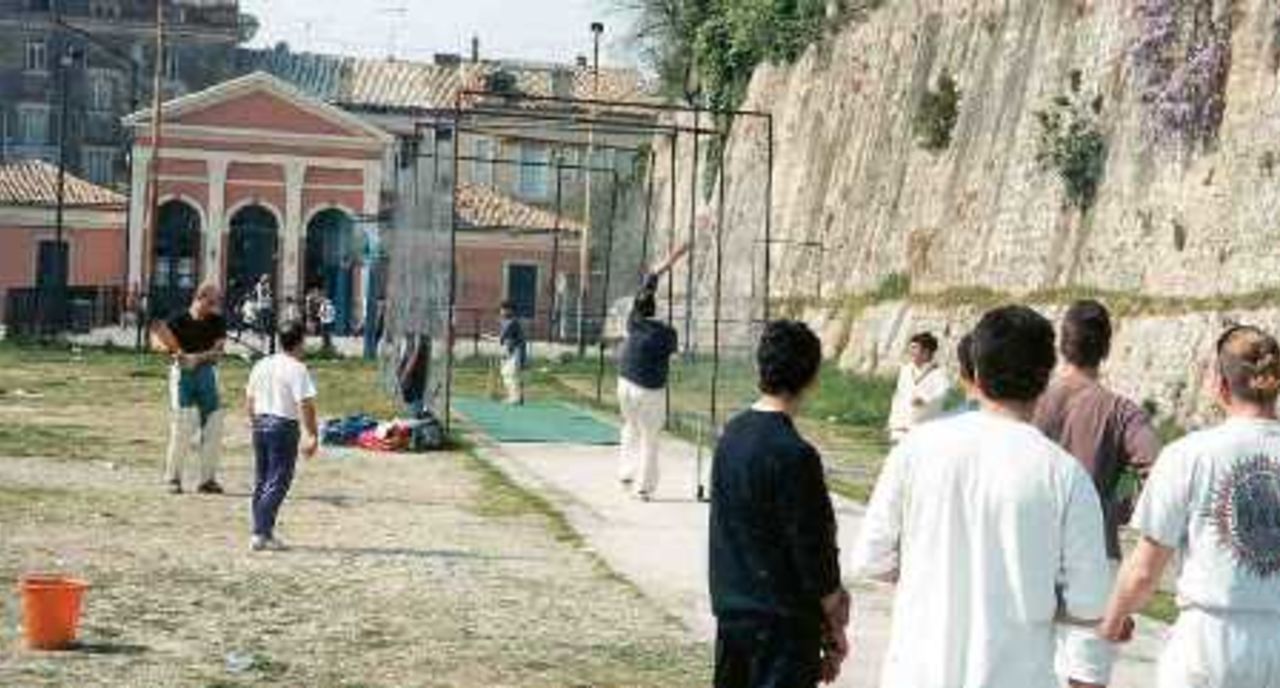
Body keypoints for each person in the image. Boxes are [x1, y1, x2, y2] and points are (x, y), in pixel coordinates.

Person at [851, 305, 1114, 688]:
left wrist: (936, 576)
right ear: (1046, 378)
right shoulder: (1065, 476)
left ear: (974, 372)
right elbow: (1089, 608)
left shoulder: (915, 450)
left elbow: (872, 558)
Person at [1099, 324, 1280, 688]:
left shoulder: (1188, 455)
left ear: (1219, 384)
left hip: (1209, 641)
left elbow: (1144, 571)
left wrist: (1112, 621)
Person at [710, 320, 850, 688]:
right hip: (781, 629)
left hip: (732, 616)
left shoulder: (731, 436)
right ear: (811, 377)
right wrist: (835, 616)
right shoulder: (796, 456)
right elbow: (813, 551)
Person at [1034, 300, 1160, 563]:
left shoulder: (1028, 402)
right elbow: (1161, 473)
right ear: (1106, 348)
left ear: (1062, 345)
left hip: (1030, 552)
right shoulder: (1121, 412)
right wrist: (1121, 506)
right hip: (1091, 555)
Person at [617, 242, 687, 501]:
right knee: (650, 438)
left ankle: (626, 472)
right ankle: (643, 487)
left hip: (624, 384)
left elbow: (652, 276)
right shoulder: (667, 333)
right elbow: (676, 356)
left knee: (629, 425)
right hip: (649, 390)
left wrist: (674, 256)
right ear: (655, 310)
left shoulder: (633, 320)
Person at [245, 320, 319, 551]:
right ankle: (260, 531)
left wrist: (254, 422)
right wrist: (312, 434)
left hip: (261, 422)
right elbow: (305, 403)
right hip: (283, 426)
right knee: (279, 481)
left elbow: (249, 399)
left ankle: (263, 531)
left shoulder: (262, 364)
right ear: (300, 342)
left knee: (262, 479)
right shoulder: (297, 368)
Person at [151, 282, 228, 495]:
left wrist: (197, 358)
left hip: (207, 374)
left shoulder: (217, 321)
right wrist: (173, 351)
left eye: (216, 302)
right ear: (199, 297)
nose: (214, 306)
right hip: (181, 374)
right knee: (182, 423)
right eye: (211, 302)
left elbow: (218, 351)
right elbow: (156, 340)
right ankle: (173, 478)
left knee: (214, 425)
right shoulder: (178, 319)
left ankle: (207, 480)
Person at [886, 331, 950, 442]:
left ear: (926, 352)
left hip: (925, 428)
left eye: (915, 348)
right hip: (901, 426)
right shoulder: (905, 370)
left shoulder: (939, 373)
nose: (911, 352)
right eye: (911, 348)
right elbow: (898, 396)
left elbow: (943, 393)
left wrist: (925, 399)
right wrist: (892, 421)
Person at [498, 301, 527, 405]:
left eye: (504, 309)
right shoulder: (505, 321)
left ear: (510, 310)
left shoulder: (512, 322)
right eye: (501, 309)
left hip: (516, 351)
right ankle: (513, 396)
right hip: (509, 351)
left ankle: (516, 398)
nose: (501, 311)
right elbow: (504, 339)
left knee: (511, 374)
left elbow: (504, 336)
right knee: (505, 373)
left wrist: (501, 340)